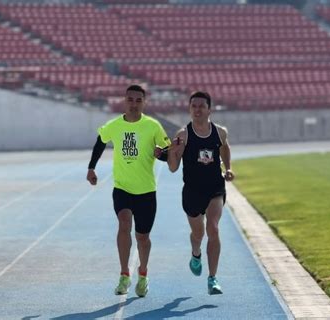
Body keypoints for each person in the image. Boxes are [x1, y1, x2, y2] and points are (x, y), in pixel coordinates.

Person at [86, 85, 170, 297]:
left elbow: (166, 152)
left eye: (138, 100)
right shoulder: (114, 125)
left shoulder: (153, 126)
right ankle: (124, 274)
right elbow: (100, 142)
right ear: (125, 101)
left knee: (143, 237)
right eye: (130, 100)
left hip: (146, 191)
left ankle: (143, 274)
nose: (134, 104)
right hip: (122, 188)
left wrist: (161, 154)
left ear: (144, 102)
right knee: (124, 224)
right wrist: (91, 168)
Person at [167, 91, 234, 295]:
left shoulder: (220, 132)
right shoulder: (183, 135)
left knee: (213, 228)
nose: (197, 110)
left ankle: (212, 278)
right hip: (192, 191)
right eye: (193, 106)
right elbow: (172, 167)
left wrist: (228, 168)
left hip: (215, 188)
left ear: (209, 109)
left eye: (201, 106)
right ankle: (196, 254)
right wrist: (171, 151)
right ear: (189, 109)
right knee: (199, 233)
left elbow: (225, 148)